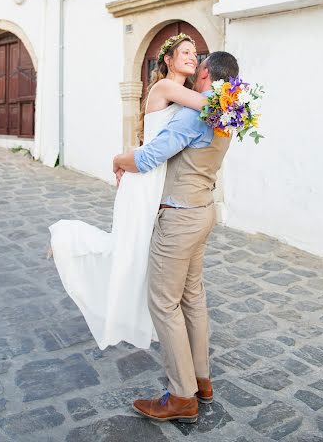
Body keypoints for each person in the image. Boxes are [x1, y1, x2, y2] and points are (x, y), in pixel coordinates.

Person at [49, 33, 209, 350]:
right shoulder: (166, 88)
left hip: (156, 180)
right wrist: (238, 100)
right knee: (127, 248)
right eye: (186, 52)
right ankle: (67, 240)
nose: (193, 56)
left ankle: (144, 317)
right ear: (168, 60)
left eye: (195, 53)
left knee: (141, 253)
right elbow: (209, 105)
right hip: (144, 180)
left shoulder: (182, 93)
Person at [113, 50, 239, 423]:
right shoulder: (226, 112)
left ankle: (181, 396)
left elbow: (150, 157)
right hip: (203, 211)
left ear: (203, 74)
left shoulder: (192, 114)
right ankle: (202, 382)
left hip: (180, 217)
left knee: (164, 304)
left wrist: (119, 161)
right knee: (192, 298)